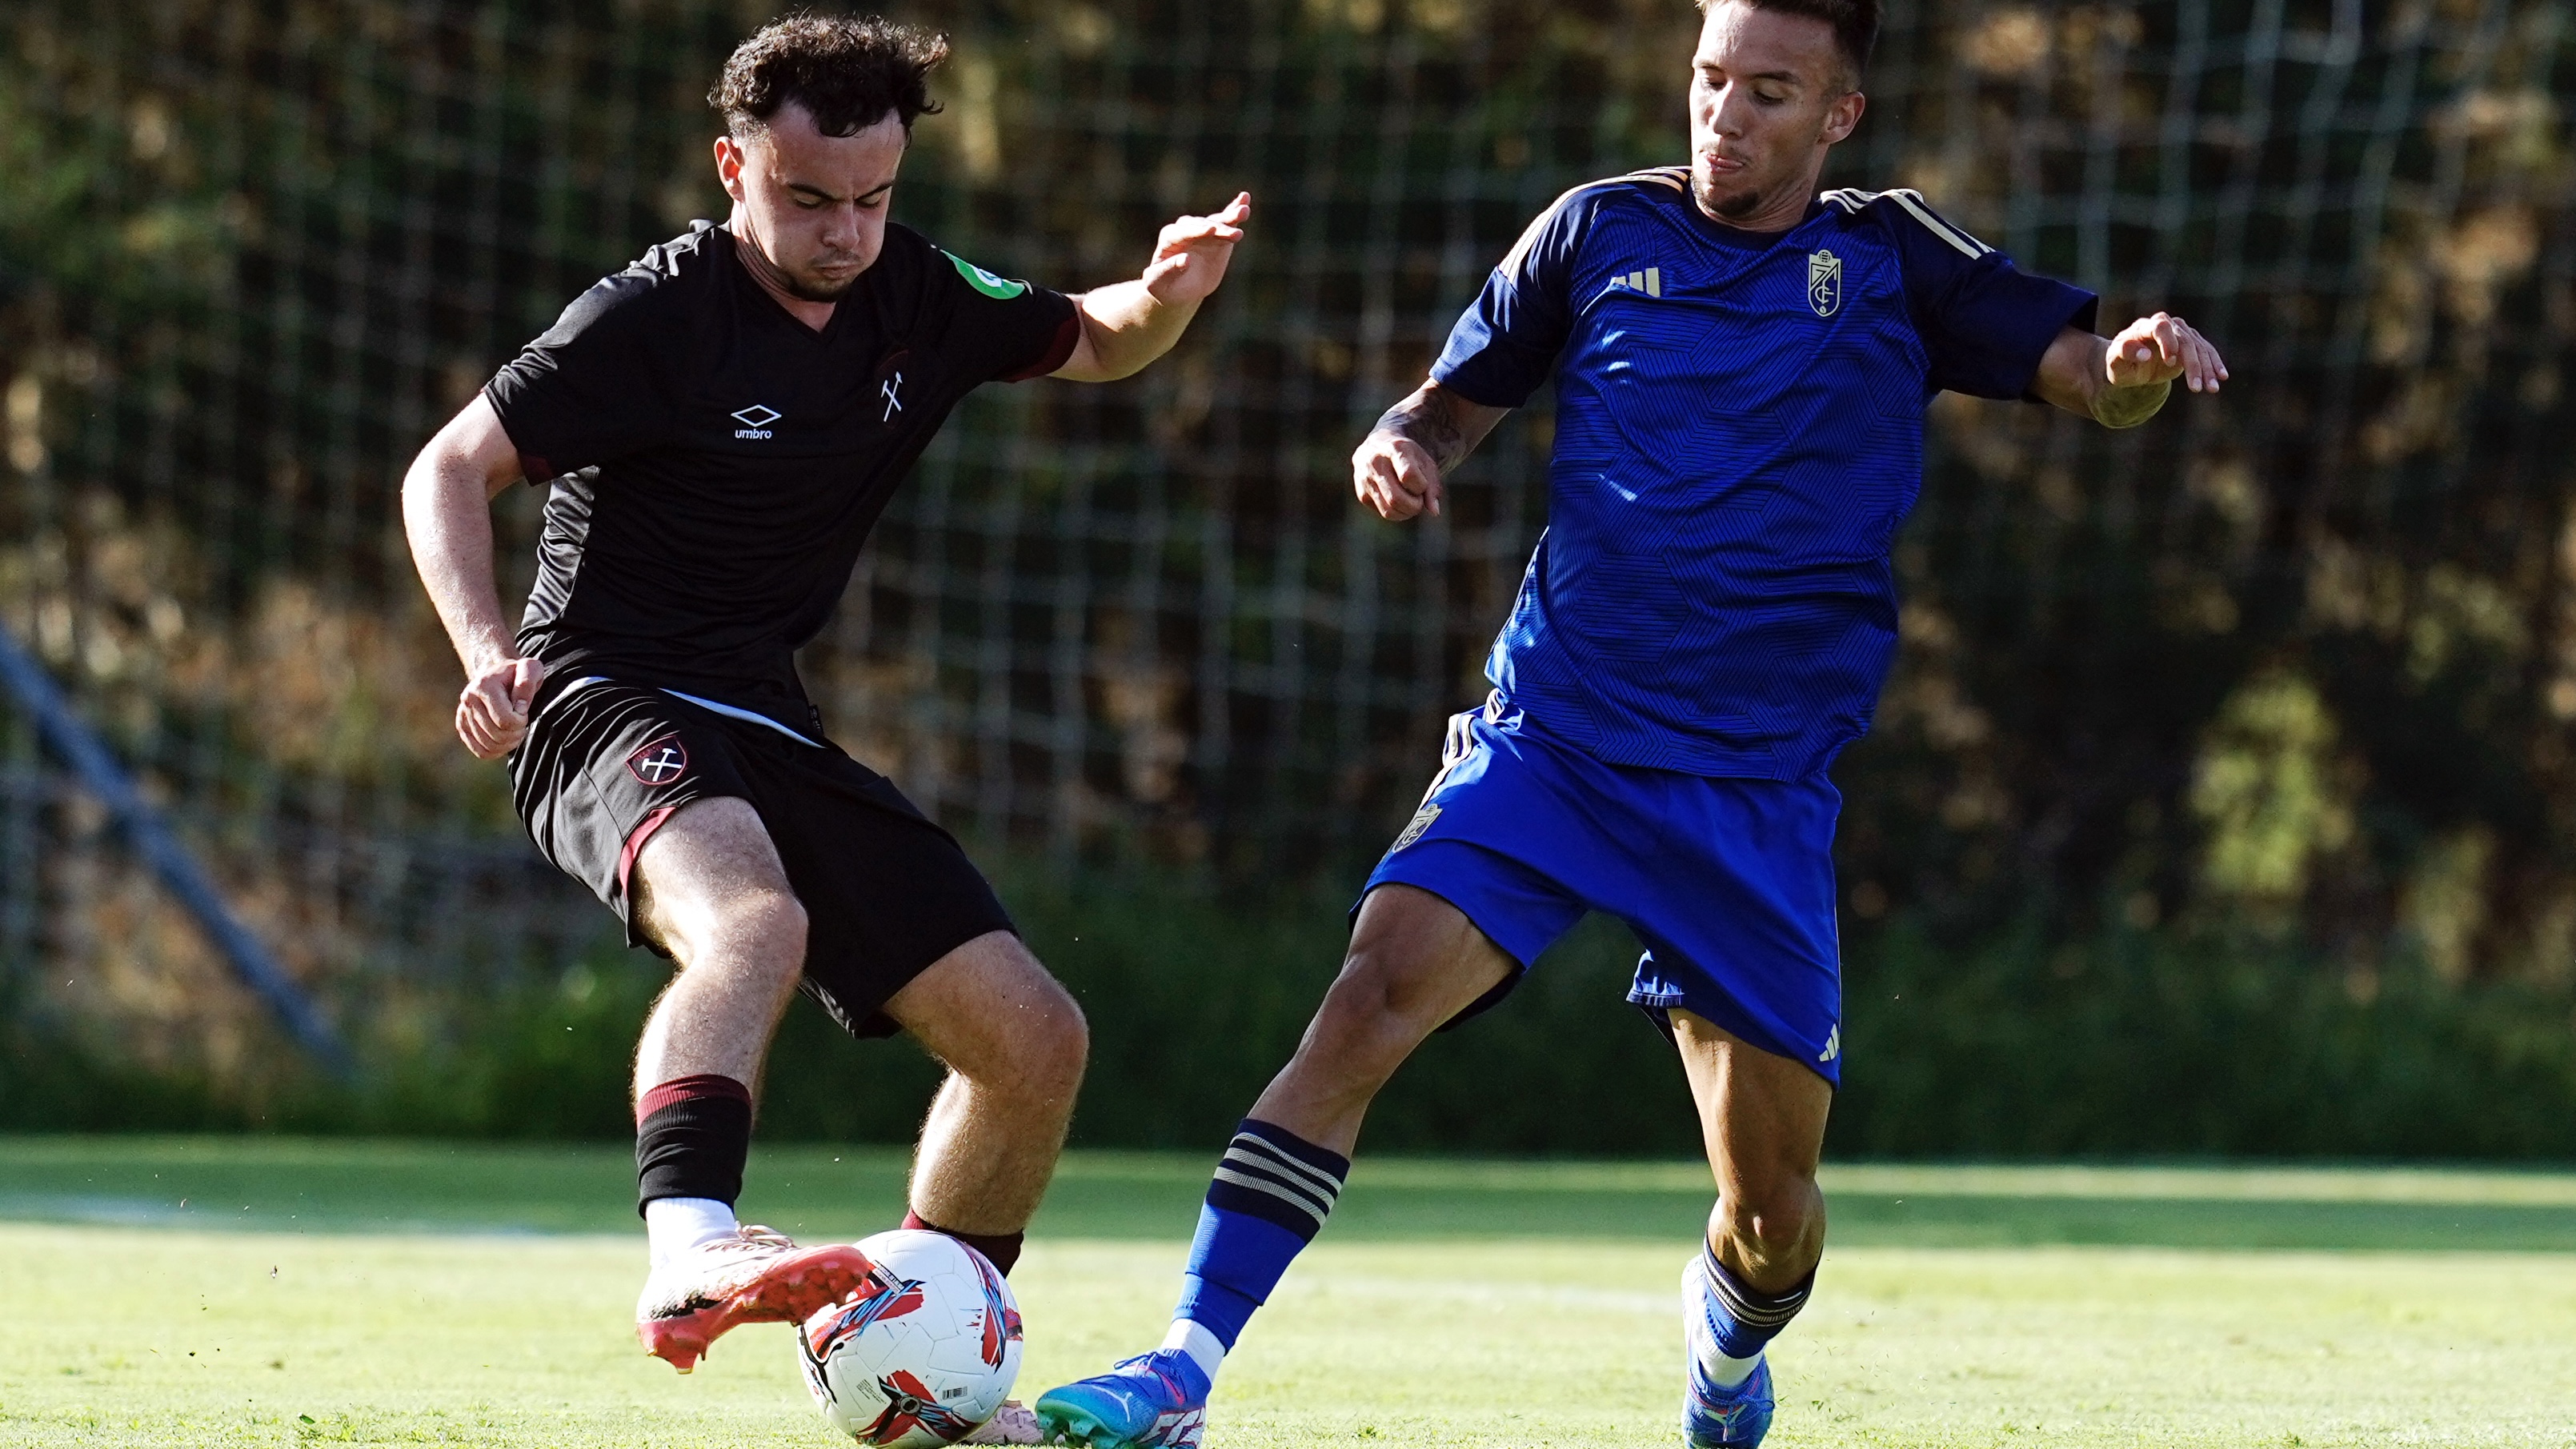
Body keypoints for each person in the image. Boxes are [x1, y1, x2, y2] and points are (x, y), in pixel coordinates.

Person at [1032, 2, 2226, 1446]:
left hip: (1754, 792)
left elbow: (2085, 378)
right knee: (1366, 999)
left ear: (1838, 115)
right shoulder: (1595, 231)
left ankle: (1725, 1351)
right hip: (1556, 742)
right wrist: (1398, 445)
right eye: (1711, 79)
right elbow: (1448, 403)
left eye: (1770, 92)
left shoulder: (1892, 257)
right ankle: (1181, 1370)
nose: (1725, 115)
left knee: (1773, 1217)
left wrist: (2137, 371)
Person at [400, 12, 1250, 1393]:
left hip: (763, 713)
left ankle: (932, 1371)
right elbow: (448, 466)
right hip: (599, 694)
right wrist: (486, 651)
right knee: (757, 919)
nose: (846, 232)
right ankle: (690, 1243)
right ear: (731, 166)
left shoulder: (916, 292)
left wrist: (1167, 296)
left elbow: (1094, 340)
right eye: (808, 200)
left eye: (873, 199)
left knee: (1034, 1042)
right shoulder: (651, 318)